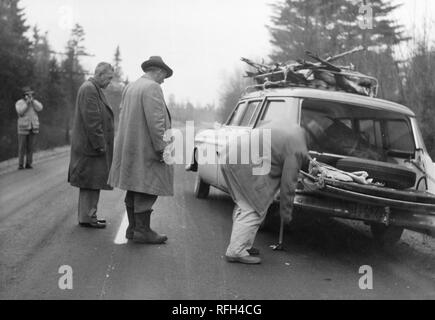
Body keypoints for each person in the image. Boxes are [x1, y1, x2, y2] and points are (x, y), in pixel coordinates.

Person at [221, 122, 310, 264]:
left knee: (244, 203)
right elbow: (288, 183)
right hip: (243, 162)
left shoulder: (293, 131)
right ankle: (236, 251)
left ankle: (243, 246)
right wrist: (286, 214)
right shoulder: (297, 148)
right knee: (253, 208)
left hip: (230, 154)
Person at [108, 56, 174, 245]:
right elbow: (156, 122)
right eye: (164, 76)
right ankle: (142, 231)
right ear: (159, 71)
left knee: (134, 185)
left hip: (131, 146)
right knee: (148, 187)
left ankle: (132, 228)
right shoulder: (152, 87)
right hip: (146, 148)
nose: (163, 80)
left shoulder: (131, 86)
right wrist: (162, 149)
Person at [68, 62, 115, 229]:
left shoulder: (93, 88)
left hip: (90, 147)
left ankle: (88, 216)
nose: (110, 82)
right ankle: (88, 217)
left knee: (91, 182)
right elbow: (92, 121)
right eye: (109, 78)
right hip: (91, 148)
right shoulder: (89, 89)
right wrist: (100, 144)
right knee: (91, 182)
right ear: (100, 75)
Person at [15, 87, 43, 170]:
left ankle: (28, 163)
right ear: (24, 95)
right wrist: (27, 103)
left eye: (31, 94)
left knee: (30, 147)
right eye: (28, 94)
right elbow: (20, 111)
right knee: (22, 147)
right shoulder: (19, 103)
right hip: (23, 128)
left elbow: (40, 108)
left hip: (33, 127)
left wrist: (33, 101)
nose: (30, 95)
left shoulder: (34, 102)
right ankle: (20, 164)